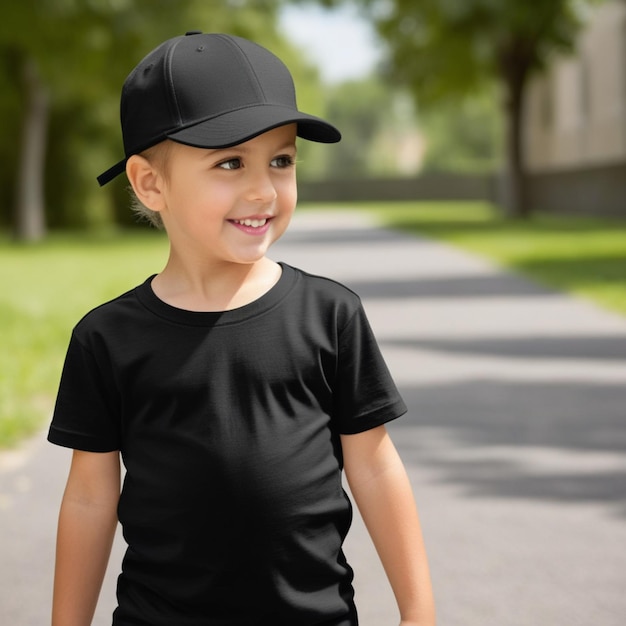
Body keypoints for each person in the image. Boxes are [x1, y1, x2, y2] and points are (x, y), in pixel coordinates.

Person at [48, 31, 435, 626]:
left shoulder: (330, 315)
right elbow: (89, 496)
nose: (263, 189)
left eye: (280, 160)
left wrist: (419, 612)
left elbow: (376, 468)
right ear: (151, 183)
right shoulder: (107, 339)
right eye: (229, 162)